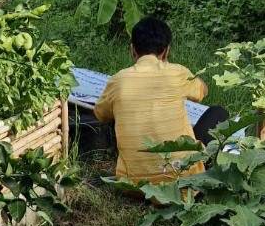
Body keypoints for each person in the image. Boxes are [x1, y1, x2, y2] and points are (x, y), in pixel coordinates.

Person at [94, 16, 227, 184]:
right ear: (166, 50)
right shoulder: (178, 73)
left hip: (131, 185)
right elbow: (203, 92)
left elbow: (100, 114)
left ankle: (138, 166)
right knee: (218, 112)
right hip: (183, 181)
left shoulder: (118, 80)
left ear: (132, 49)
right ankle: (198, 167)